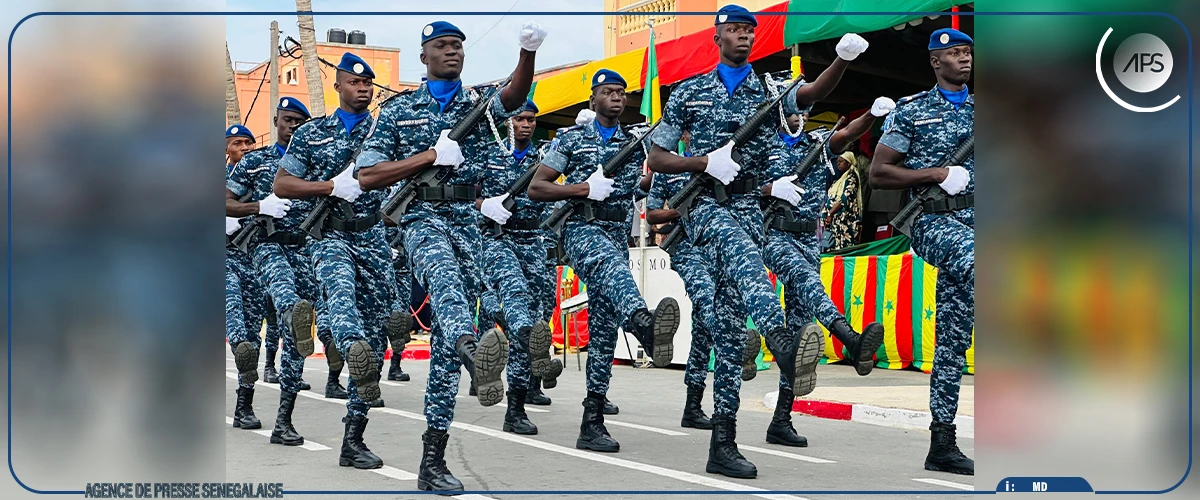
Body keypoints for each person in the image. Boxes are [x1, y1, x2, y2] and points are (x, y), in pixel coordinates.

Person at [646, 4, 869, 478]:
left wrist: (842, 60)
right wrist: (702, 163)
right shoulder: (690, 91)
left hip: (751, 206)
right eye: (734, 30)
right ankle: (782, 343)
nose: (743, 37)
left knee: (727, 334)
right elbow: (659, 155)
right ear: (717, 36)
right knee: (748, 261)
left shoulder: (769, 91)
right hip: (706, 205)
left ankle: (722, 445)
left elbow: (808, 94)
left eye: (749, 31)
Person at [356, 20, 544, 492]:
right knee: (443, 281)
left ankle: (433, 461)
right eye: (441, 46)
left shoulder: (477, 107)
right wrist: (426, 157)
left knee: (443, 349)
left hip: (468, 220)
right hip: (421, 219)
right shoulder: (400, 111)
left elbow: (516, 96)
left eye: (458, 46)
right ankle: (471, 347)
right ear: (423, 56)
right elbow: (369, 174)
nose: (452, 52)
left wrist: (526, 52)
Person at [528, 69, 681, 454]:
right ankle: (645, 326)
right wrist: (583, 188)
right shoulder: (572, 139)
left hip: (615, 235)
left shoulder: (637, 143)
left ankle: (591, 421)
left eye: (621, 92)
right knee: (613, 273)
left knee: (603, 329)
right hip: (581, 230)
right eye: (608, 92)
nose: (616, 98)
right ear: (592, 100)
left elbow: (646, 185)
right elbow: (538, 186)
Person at [274, 52, 396, 470]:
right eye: (356, 82)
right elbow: (283, 183)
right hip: (329, 236)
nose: (364, 88)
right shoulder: (312, 135)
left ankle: (353, 440)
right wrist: (329, 186)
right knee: (341, 301)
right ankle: (348, 347)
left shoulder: (387, 128)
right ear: (338, 86)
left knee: (378, 335)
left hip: (374, 236)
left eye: (369, 84)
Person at [760, 96, 893, 448]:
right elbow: (738, 188)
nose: (798, 117)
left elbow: (847, 133)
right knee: (806, 281)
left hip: (808, 239)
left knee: (800, 332)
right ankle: (850, 338)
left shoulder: (817, 146)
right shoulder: (761, 145)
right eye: (791, 111)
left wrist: (871, 114)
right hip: (773, 235)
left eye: (802, 112)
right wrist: (770, 188)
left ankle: (781, 421)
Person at [870, 27, 974, 476]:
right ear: (935, 61)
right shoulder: (913, 112)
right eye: (953, 53)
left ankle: (942, 442)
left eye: (967, 51)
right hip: (933, 221)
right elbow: (878, 173)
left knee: (953, 338)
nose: (964, 58)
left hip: (979, 222)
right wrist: (935, 173)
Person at [645, 131, 762, 431]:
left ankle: (692, 404)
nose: (690, 133)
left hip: (712, 244)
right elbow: (652, 215)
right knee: (705, 296)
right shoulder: (669, 166)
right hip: (684, 246)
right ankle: (733, 342)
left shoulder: (716, 162)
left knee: (703, 323)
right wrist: (684, 209)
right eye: (687, 128)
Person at [477, 101, 566, 435]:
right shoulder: (488, 155)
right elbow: (463, 196)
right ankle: (514, 409)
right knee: (519, 312)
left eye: (531, 119)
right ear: (507, 122)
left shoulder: (544, 159)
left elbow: (553, 194)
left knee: (539, 316)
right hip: (498, 240)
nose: (526, 124)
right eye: (520, 119)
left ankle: (525, 389)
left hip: (534, 242)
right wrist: (485, 205)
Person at [224, 124, 265, 431]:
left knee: (254, 334)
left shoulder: (264, 178)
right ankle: (238, 342)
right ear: (227, 149)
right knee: (236, 322)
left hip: (252, 258)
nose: (246, 147)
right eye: (238, 143)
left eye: (250, 142)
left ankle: (244, 405)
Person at [825, 150, 865, 251]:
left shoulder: (852, 177)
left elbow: (844, 198)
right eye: (837, 161)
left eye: (841, 161)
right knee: (826, 248)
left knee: (841, 250)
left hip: (843, 222)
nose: (838, 163)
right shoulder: (839, 179)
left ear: (848, 162)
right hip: (831, 222)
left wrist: (830, 213)